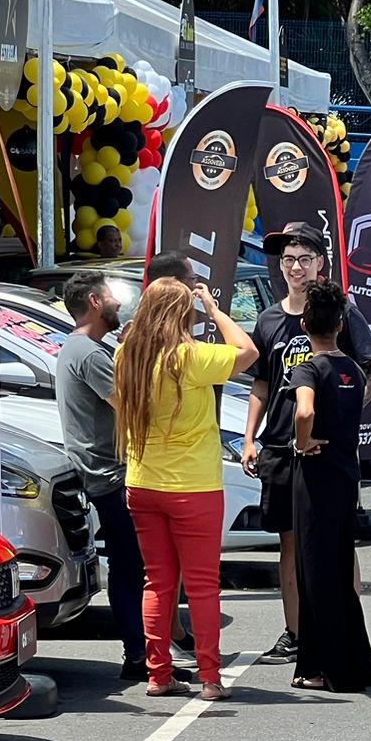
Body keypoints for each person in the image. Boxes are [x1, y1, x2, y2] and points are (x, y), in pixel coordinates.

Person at [244, 222, 371, 666]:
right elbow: (262, 385)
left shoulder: (338, 311)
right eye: (288, 260)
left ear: (321, 264)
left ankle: (344, 627)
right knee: (290, 543)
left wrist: (346, 409)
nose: (295, 268)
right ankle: (295, 631)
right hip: (282, 447)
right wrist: (249, 437)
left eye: (304, 259)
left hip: (329, 451)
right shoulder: (269, 319)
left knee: (339, 540)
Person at [117, 279, 256, 698]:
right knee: (201, 584)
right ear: (182, 315)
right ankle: (210, 677)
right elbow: (247, 351)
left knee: (157, 581)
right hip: (193, 485)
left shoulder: (129, 354)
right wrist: (214, 309)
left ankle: (158, 675)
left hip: (142, 482)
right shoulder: (189, 357)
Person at [55, 270, 173, 682]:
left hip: (105, 473)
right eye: (110, 296)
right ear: (92, 300)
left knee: (133, 564)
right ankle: (138, 654)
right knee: (133, 566)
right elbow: (130, 405)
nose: (118, 303)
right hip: (110, 475)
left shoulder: (87, 349)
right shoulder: (88, 353)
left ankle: (145, 650)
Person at [287, 281, 371, 693]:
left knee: (314, 569)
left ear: (305, 323)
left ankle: (322, 665)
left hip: (315, 477)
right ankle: (351, 658)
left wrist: (301, 440)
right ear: (341, 325)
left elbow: (305, 409)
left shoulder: (308, 368)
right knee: (340, 568)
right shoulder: (353, 370)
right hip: (346, 477)